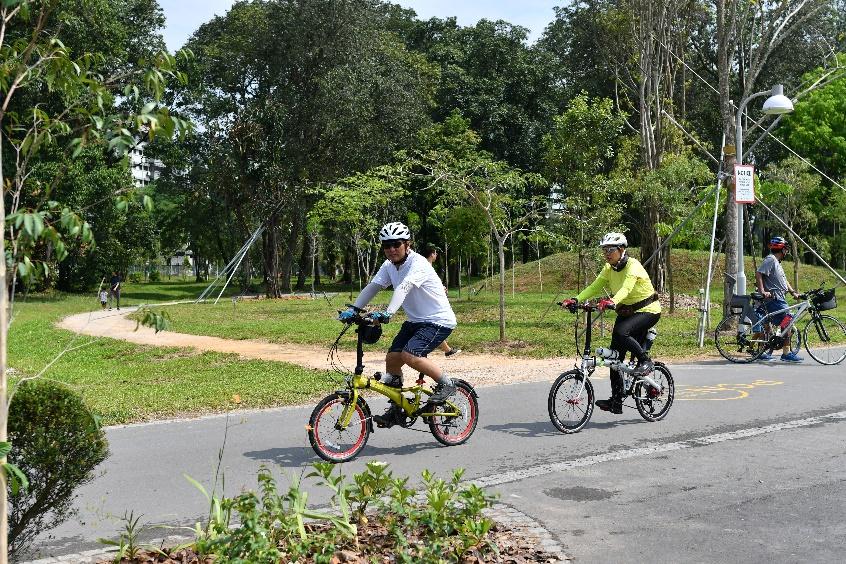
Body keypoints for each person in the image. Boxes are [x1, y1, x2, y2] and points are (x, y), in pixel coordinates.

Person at [339, 222, 458, 428]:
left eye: (396, 244)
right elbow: (374, 286)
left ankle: (447, 384)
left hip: (438, 320)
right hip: (415, 321)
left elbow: (404, 286)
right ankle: (397, 408)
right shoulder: (388, 266)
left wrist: (388, 313)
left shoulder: (418, 263)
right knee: (392, 359)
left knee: (410, 355)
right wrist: (355, 309)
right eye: (387, 245)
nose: (392, 249)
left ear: (407, 244)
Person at [561, 232, 661, 415]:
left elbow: (627, 288)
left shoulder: (633, 265)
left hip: (648, 311)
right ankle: (616, 401)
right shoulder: (608, 268)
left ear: (621, 250)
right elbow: (595, 286)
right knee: (614, 359)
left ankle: (645, 361)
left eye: (611, 250)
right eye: (604, 250)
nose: (607, 254)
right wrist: (576, 299)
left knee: (622, 332)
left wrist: (613, 300)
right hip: (627, 311)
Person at [755, 236, 802, 362]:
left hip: (779, 299)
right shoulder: (770, 259)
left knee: (776, 326)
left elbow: (784, 281)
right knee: (788, 321)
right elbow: (759, 273)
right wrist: (762, 291)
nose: (786, 252)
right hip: (774, 299)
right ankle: (786, 353)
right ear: (781, 249)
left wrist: (793, 292)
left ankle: (765, 349)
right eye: (785, 249)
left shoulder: (776, 262)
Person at [422, 244, 461, 358]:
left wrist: (440, 288)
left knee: (433, 326)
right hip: (429, 302)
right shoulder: (425, 267)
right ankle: (419, 351)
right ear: (432, 254)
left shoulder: (427, 266)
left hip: (430, 301)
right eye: (435, 253)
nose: (436, 255)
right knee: (430, 326)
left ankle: (447, 350)